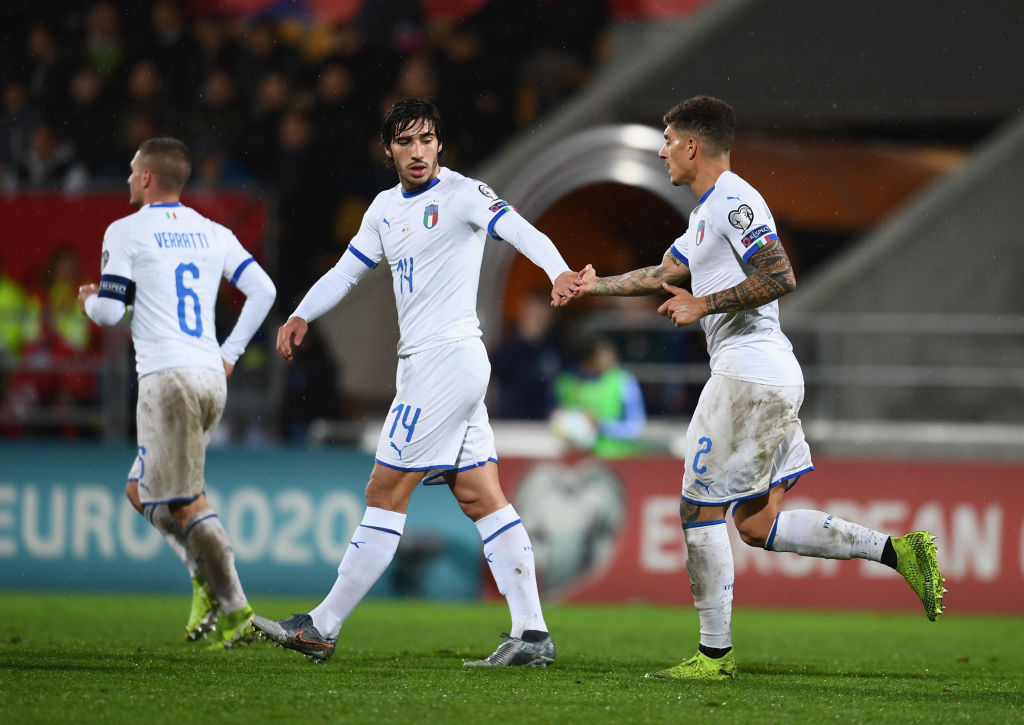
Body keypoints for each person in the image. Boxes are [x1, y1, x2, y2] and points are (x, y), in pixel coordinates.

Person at [568, 96, 945, 680]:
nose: (663, 151)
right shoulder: (705, 212)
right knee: (753, 525)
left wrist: (704, 303)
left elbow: (779, 274)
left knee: (698, 508)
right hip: (763, 374)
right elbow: (663, 274)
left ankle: (713, 657)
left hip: (748, 374)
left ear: (692, 145)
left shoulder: (737, 200)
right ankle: (899, 552)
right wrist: (594, 286)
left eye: (668, 140)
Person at [253, 98, 579, 666]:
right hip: (431, 365)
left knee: (384, 491)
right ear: (389, 151)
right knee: (481, 496)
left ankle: (322, 625)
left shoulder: (464, 194)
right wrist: (301, 313)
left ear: (440, 145)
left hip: (447, 361)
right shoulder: (383, 209)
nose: (418, 151)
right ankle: (532, 634)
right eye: (405, 142)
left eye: (427, 139)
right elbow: (347, 271)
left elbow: (520, 229)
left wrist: (558, 272)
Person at [77, 137, 276, 649]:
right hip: (210, 376)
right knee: (139, 489)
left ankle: (235, 608)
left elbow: (108, 314)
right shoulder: (213, 231)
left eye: (129, 171)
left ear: (146, 177)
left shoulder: (126, 231)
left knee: (186, 503)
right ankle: (201, 576)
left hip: (167, 379)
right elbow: (265, 290)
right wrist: (228, 353)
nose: (126, 179)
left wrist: (90, 300)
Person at [551, 336, 647, 458]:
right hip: (578, 462)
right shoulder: (566, 382)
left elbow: (637, 428)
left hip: (618, 459)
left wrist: (601, 426)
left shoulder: (624, 381)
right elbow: (555, 418)